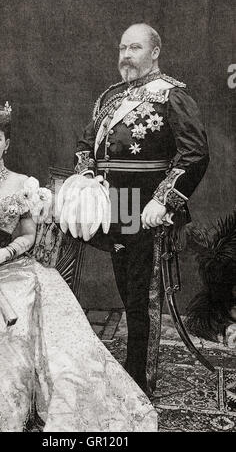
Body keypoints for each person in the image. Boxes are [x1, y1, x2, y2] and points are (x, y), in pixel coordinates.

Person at [0, 97, 157, 432]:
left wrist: (0, 255)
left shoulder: (22, 185)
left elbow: (27, 237)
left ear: (7, 144)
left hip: (11, 271)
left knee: (6, 335)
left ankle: (10, 408)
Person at [74, 23, 209, 394]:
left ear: (155, 53)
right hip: (112, 206)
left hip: (146, 208)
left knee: (142, 299)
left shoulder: (172, 96)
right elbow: (86, 145)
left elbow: (194, 154)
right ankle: (130, 371)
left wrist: (162, 200)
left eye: (134, 48)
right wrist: (86, 176)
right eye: (122, 48)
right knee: (128, 293)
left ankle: (139, 383)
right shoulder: (111, 97)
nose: (126, 56)